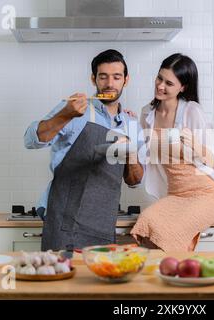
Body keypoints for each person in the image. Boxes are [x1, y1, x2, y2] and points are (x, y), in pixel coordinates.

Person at [24, 49, 144, 251]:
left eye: (116, 77)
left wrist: (131, 153)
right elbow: (32, 140)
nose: (110, 83)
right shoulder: (74, 110)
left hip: (102, 218)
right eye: (103, 76)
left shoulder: (132, 123)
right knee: (62, 280)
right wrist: (65, 115)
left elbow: (134, 181)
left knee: (98, 278)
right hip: (64, 215)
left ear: (126, 80)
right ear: (93, 79)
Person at [130, 53, 214, 252]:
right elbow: (143, 154)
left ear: (182, 87)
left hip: (207, 193)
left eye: (169, 83)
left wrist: (196, 145)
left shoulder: (191, 111)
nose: (161, 86)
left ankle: (177, 275)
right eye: (159, 78)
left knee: (169, 232)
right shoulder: (147, 114)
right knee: (146, 222)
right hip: (176, 194)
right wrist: (131, 124)